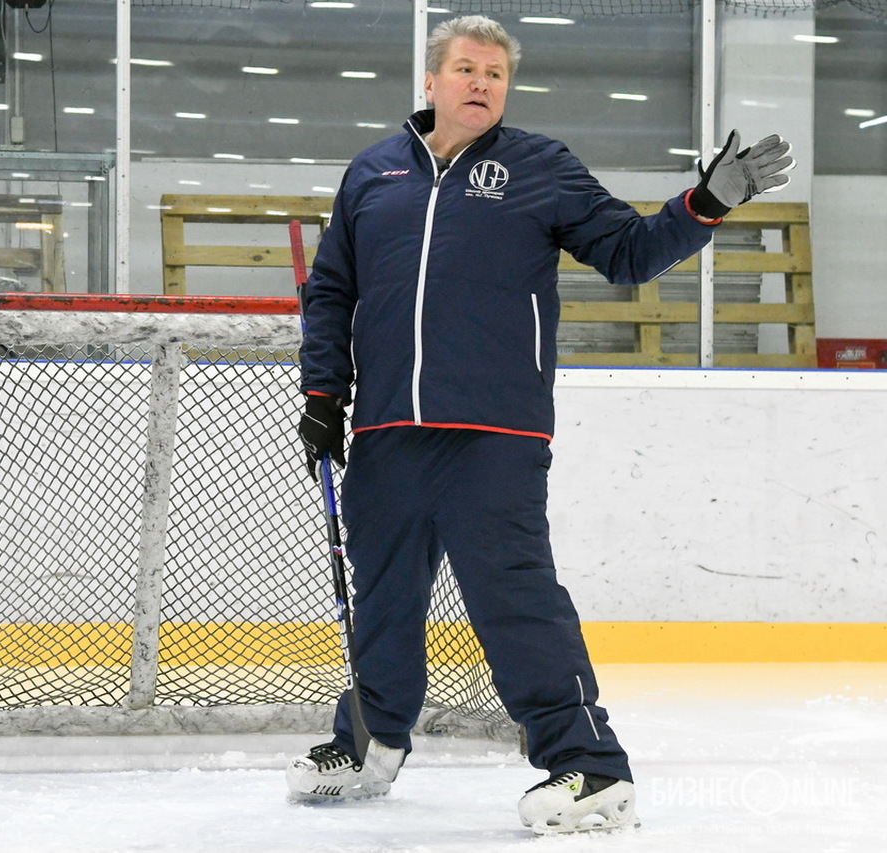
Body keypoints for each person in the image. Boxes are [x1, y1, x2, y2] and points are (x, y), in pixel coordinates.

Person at [288, 15, 793, 834]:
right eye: (465, 68)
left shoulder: (540, 167)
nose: (480, 82)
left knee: (515, 601)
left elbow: (628, 252)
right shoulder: (373, 173)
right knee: (380, 599)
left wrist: (706, 202)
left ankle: (591, 767)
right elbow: (332, 294)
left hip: (497, 430)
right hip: (385, 429)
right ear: (431, 81)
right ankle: (372, 740)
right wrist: (323, 397)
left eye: (495, 72)